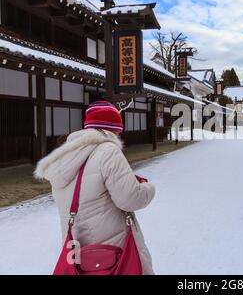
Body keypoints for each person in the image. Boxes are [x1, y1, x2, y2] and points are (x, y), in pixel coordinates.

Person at [34, 101, 156, 275]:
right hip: (113, 249)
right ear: (113, 129)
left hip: (78, 251)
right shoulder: (108, 151)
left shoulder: (63, 157)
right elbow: (131, 199)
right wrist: (148, 187)